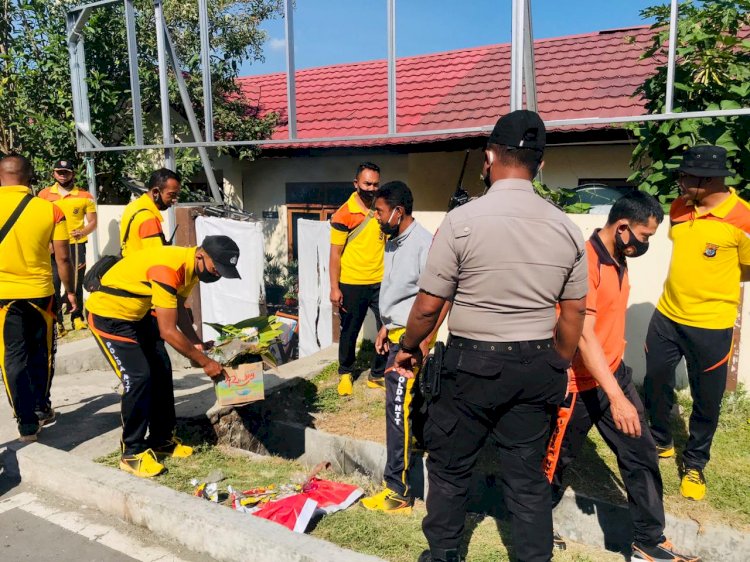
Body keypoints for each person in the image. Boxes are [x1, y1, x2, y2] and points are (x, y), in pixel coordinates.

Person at [393, 110, 588, 562]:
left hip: (470, 368)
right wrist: (556, 361)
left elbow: (427, 306)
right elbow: (574, 311)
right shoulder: (567, 229)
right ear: (539, 164)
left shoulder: (462, 222)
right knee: (526, 478)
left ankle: (442, 554)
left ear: (488, 158)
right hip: (537, 366)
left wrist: (408, 348)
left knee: (450, 469)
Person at [543, 192, 699, 562]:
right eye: (645, 237)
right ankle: (535, 524)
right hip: (577, 385)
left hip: (612, 373)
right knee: (554, 462)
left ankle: (648, 540)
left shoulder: (618, 257)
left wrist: (617, 387)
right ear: (623, 227)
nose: (645, 244)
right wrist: (617, 398)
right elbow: (584, 335)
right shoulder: (586, 261)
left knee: (642, 452)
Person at [644, 145, 749, 502]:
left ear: (707, 181)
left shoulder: (742, 217)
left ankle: (695, 463)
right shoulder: (678, 209)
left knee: (707, 400)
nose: (679, 182)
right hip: (667, 316)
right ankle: (661, 438)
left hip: (712, 325)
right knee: (655, 380)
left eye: (685, 176)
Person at [85, 236, 239, 478]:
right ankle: (131, 453)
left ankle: (161, 440)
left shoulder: (189, 268)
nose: (217, 274)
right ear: (201, 255)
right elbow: (167, 331)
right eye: (216, 268)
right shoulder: (169, 269)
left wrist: (195, 343)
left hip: (137, 316)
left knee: (161, 369)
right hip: (109, 316)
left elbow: (178, 307)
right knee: (138, 378)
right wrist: (204, 362)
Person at [360, 181, 449, 514]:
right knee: (408, 410)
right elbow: (401, 293)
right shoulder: (394, 241)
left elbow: (441, 298)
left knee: (397, 414)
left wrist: (423, 342)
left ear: (398, 211)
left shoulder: (424, 244)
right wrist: (385, 324)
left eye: (380, 212)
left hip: (411, 343)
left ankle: (397, 491)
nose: (376, 218)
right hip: (395, 333)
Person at [0, 154, 77, 442]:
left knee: (11, 356)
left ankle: (26, 423)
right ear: (30, 177)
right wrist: (70, 290)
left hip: (3, 296)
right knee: (41, 353)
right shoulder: (51, 210)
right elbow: (63, 258)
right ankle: (41, 407)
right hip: (41, 293)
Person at [329, 162, 388, 396]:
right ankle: (345, 373)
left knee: (388, 327)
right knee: (350, 330)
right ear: (356, 184)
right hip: (352, 282)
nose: (371, 188)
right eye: (367, 183)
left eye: (375, 184)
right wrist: (334, 287)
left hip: (381, 281)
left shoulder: (383, 208)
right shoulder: (344, 213)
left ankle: (377, 374)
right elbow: (335, 253)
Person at [38, 159, 97, 334]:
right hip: (53, 246)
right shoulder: (44, 195)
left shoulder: (85, 196)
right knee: (54, 282)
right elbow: (40, 221)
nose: (62, 176)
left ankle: (77, 317)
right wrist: (46, 241)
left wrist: (83, 231)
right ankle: (57, 320)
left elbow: (93, 222)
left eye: (66, 172)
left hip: (75, 245)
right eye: (59, 172)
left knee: (76, 282)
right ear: (54, 174)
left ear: (73, 173)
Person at [120, 168, 180, 257]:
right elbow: (156, 258)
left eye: (177, 195)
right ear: (156, 192)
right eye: (172, 195)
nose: (174, 200)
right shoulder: (148, 219)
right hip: (141, 269)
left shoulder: (133, 206)